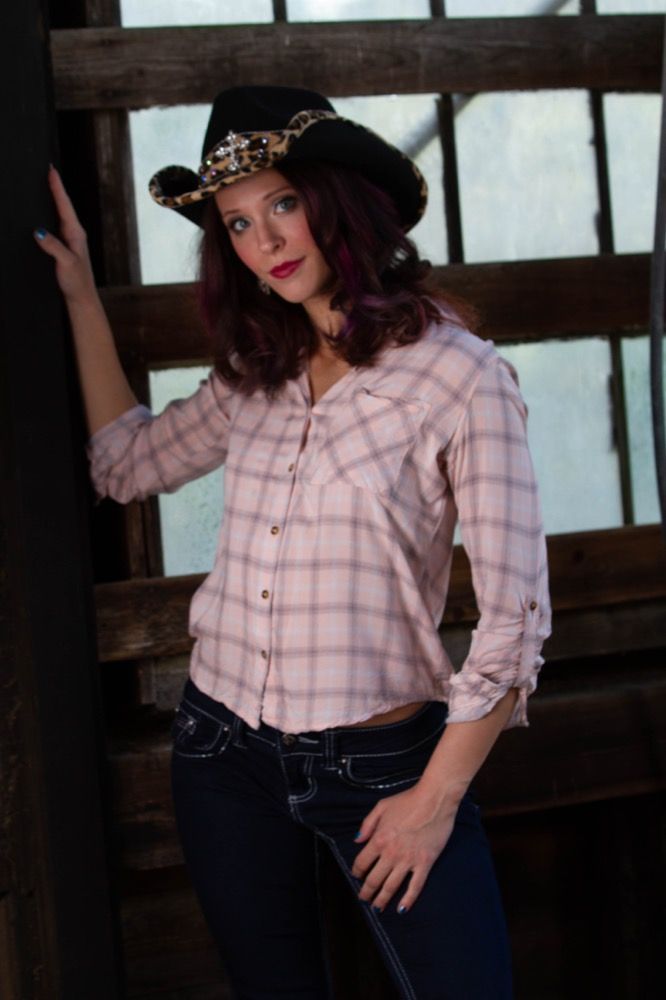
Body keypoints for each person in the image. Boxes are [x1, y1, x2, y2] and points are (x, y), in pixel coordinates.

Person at [35, 86, 551, 1000]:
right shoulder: (256, 372)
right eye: (236, 223)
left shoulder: (460, 376)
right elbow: (125, 463)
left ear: (337, 197)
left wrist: (434, 803)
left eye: (282, 204)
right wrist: (80, 297)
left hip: (386, 765)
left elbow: (514, 617)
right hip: (222, 755)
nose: (265, 241)